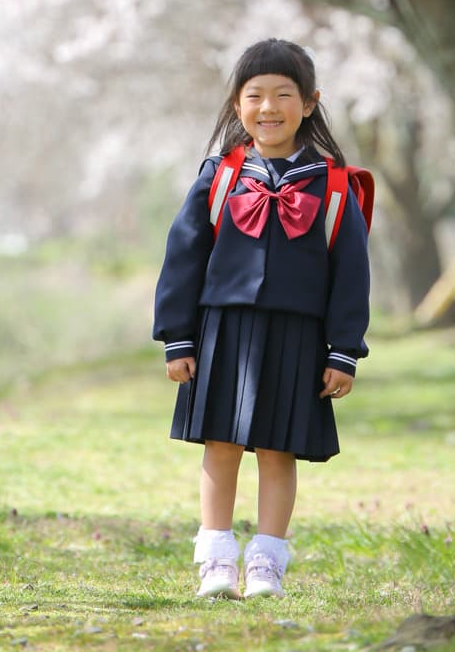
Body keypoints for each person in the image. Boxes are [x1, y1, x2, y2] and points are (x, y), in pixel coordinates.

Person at [153, 38, 371, 601]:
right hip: (223, 331)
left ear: (310, 102)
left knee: (279, 449)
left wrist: (343, 349)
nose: (268, 108)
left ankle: (267, 563)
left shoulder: (334, 185)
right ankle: (217, 559)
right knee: (220, 443)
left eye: (283, 95)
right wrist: (178, 338)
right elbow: (183, 257)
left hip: (299, 337)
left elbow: (351, 272)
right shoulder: (220, 175)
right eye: (255, 96)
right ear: (236, 104)